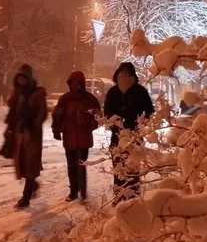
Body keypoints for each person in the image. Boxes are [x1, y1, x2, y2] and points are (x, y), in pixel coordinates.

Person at [104, 62, 155, 201]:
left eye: (127, 73)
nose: (123, 75)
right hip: (117, 137)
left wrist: (139, 126)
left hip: (134, 137)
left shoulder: (140, 91)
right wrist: (115, 125)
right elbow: (107, 112)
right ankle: (119, 196)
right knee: (118, 167)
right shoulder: (113, 92)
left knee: (133, 168)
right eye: (121, 72)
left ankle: (133, 198)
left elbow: (149, 111)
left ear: (132, 75)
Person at [52, 71, 102, 202]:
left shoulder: (90, 99)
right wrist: (56, 129)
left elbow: (98, 116)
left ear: (82, 84)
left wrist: (92, 124)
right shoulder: (65, 99)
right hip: (69, 137)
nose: (75, 86)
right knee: (71, 166)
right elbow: (57, 115)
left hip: (83, 138)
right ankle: (73, 191)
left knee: (80, 166)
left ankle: (83, 191)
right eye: (73, 83)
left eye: (77, 83)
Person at [4, 64, 48, 209]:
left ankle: (26, 198)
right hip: (19, 133)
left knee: (30, 166)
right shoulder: (17, 94)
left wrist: (33, 125)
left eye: (24, 78)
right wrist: (10, 128)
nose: (21, 81)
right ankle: (33, 184)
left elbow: (43, 113)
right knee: (21, 165)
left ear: (29, 79)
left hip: (32, 135)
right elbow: (12, 114)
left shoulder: (37, 93)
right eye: (19, 78)